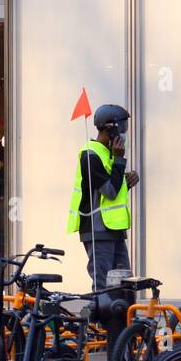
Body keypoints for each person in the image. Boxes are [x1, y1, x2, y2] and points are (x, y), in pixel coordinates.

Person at [67, 104, 139, 291]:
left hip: (114, 229)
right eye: (122, 128)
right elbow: (109, 191)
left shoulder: (107, 154)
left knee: (123, 285)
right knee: (103, 286)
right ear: (110, 129)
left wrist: (127, 182)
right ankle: (99, 321)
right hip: (97, 230)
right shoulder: (90, 155)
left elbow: (110, 192)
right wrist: (120, 161)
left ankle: (121, 320)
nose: (124, 134)